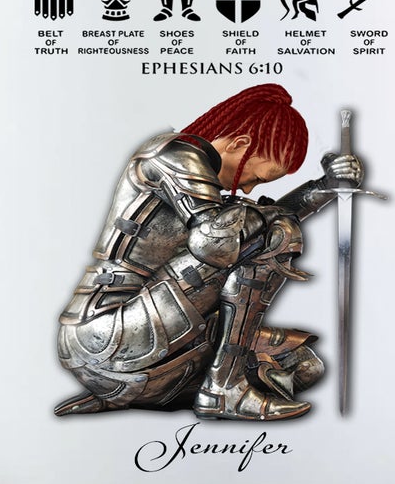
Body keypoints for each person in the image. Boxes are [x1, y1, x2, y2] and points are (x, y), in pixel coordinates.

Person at [56, 84, 362, 420]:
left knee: (305, 366)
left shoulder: (202, 181)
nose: (248, 188)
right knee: (276, 234)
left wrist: (323, 187)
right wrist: (270, 216)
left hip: (153, 338)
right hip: (106, 331)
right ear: (239, 143)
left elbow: (245, 226)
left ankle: (202, 385)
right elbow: (215, 244)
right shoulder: (173, 156)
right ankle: (224, 389)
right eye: (257, 178)